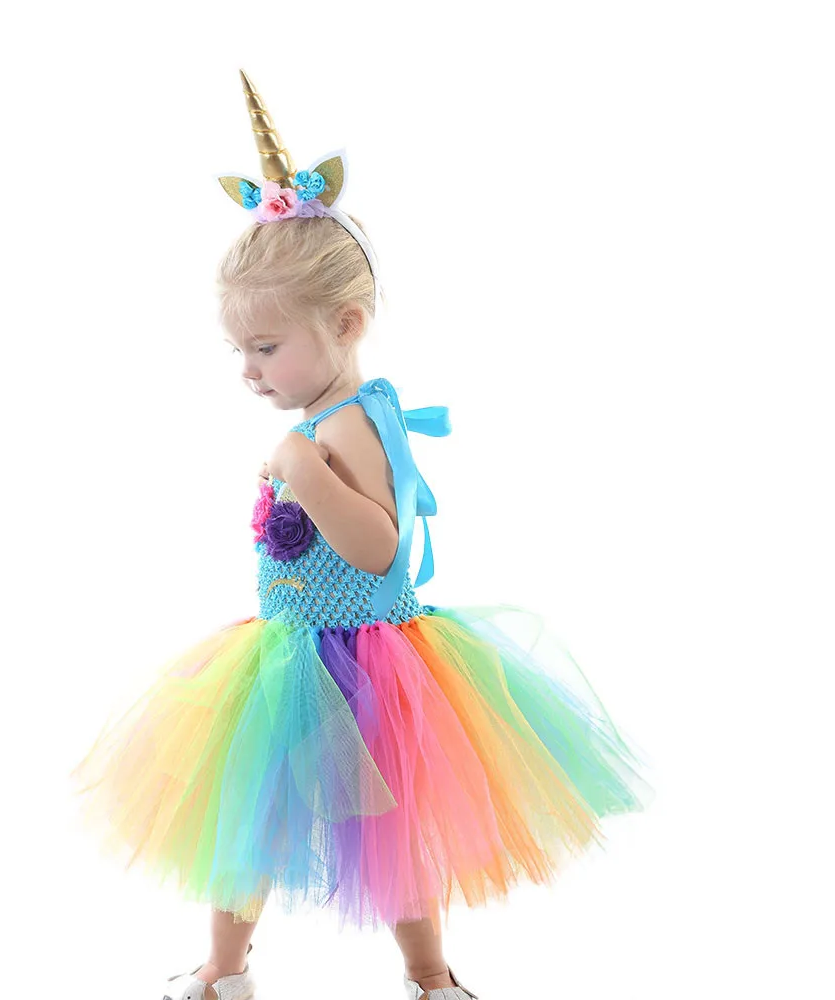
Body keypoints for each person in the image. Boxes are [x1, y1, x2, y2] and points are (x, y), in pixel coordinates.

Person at [69, 69, 651, 1000]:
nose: (249, 370)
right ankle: (228, 971)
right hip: (291, 653)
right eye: (240, 350)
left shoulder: (345, 427)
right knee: (250, 821)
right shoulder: (324, 420)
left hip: (359, 665)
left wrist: (299, 473)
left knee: (385, 834)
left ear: (346, 324)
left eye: (267, 348)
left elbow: (378, 548)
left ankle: (426, 977)